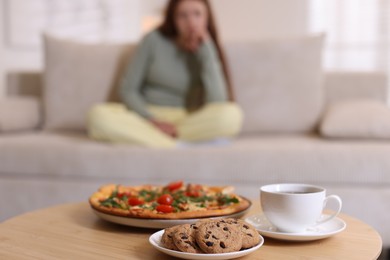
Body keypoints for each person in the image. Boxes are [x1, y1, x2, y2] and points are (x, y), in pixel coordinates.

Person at [87, 0, 243, 148]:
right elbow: (128, 90)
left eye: (197, 14)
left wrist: (206, 51)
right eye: (183, 15)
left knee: (232, 115)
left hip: (188, 120)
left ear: (207, 17)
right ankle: (179, 145)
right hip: (148, 116)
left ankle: (156, 142)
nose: (191, 22)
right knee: (97, 116)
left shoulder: (208, 50)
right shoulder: (153, 40)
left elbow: (217, 102)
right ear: (173, 18)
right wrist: (152, 121)